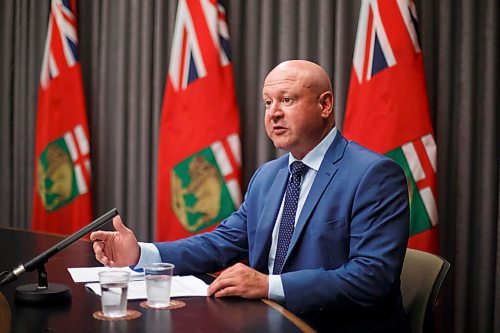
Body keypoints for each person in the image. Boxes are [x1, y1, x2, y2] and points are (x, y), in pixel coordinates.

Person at [91, 60, 409, 332]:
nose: (274, 113)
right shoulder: (268, 176)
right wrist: (141, 255)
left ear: (325, 105)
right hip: (265, 321)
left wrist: (268, 286)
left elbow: (372, 276)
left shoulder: (373, 175)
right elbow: (221, 243)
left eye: (287, 100)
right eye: (268, 103)